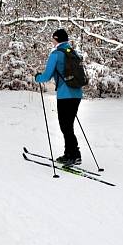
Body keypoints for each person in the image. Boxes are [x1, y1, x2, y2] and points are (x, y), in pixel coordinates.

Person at [35, 29, 83, 165]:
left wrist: (37, 77)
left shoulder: (56, 54)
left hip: (64, 95)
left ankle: (74, 155)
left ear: (56, 39)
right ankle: (70, 154)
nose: (52, 41)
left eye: (53, 39)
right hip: (77, 93)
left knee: (65, 126)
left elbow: (46, 76)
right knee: (69, 125)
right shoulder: (74, 53)